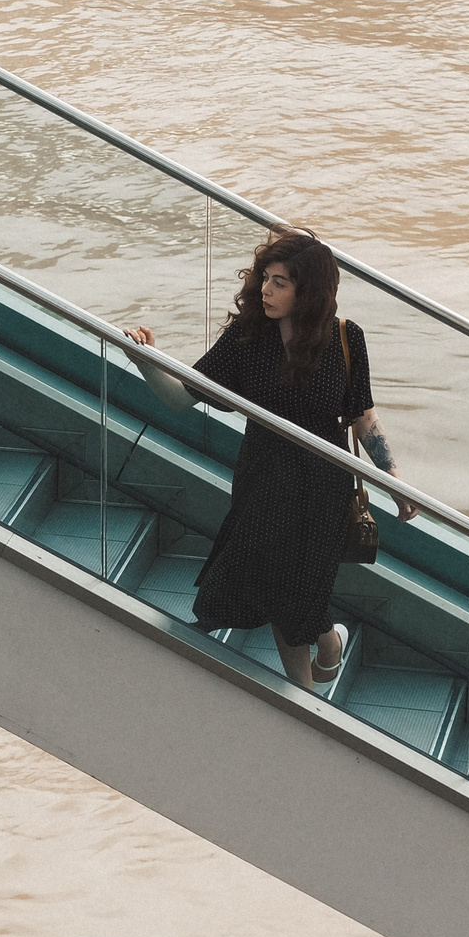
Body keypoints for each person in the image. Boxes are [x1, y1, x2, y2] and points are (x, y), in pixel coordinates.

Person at [124, 228, 417, 693]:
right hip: (263, 479)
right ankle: (303, 694)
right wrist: (143, 359)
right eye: (266, 278)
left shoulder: (345, 338)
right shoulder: (248, 337)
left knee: (295, 588)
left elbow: (362, 416)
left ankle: (321, 659)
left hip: (323, 484)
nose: (266, 290)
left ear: (309, 290)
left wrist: (394, 479)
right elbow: (182, 399)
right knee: (281, 585)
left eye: (280, 282)